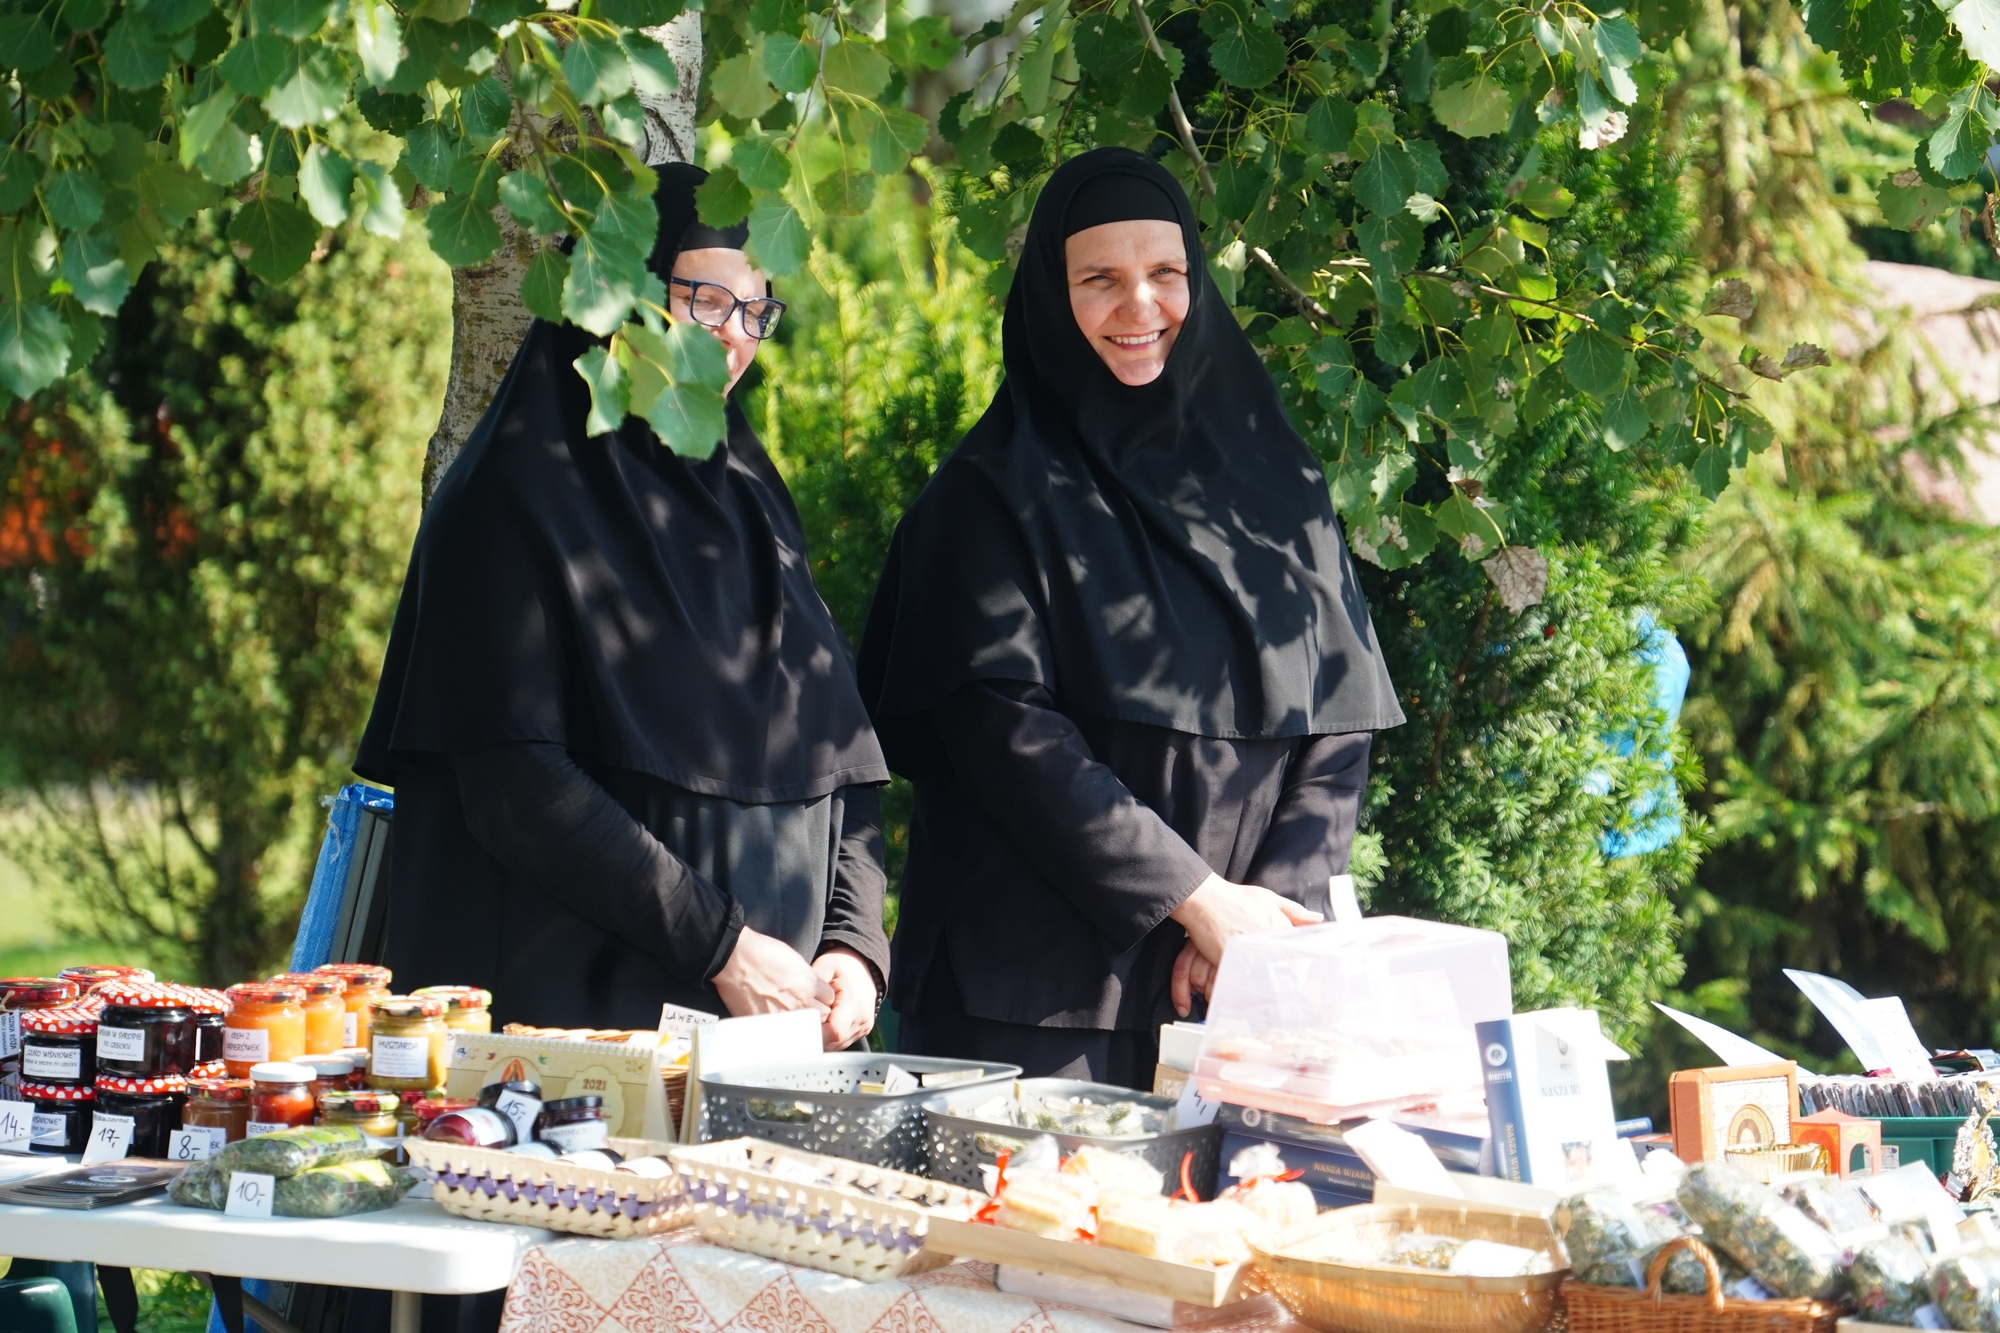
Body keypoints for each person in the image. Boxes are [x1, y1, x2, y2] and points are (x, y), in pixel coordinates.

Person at [856, 147, 1405, 1086]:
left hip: (1236, 990)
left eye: (1165, 273)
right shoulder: (987, 498)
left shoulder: (1280, 485)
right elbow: (1009, 740)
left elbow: (1339, 721)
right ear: (1048, 296)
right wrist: (1196, 900)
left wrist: (1256, 921)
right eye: (1099, 280)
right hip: (1031, 1003)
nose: (1140, 307)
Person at [354, 164, 889, 1051]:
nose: (734, 339)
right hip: (575, 1055)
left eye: (756, 311)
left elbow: (844, 760)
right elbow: (517, 786)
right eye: (707, 302)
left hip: (775, 1045)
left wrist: (851, 941)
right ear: (620, 293)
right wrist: (721, 946)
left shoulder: (755, 503)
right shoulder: (514, 497)